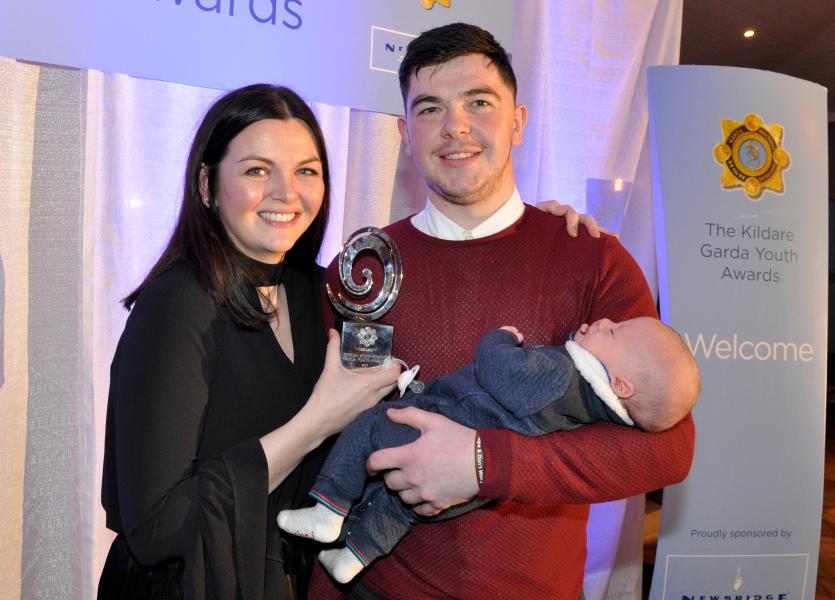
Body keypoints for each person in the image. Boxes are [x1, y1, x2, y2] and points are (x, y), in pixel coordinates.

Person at [309, 22, 696, 599]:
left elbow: (667, 448)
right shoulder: (362, 269)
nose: (455, 126)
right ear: (406, 134)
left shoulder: (592, 259)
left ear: (517, 122)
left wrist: (484, 464)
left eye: (479, 102)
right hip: (368, 585)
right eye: (430, 108)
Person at [97, 84, 403, 600]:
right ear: (207, 185)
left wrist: (539, 221)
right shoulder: (179, 304)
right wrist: (315, 422)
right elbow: (157, 528)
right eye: (257, 170)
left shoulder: (318, 292)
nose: (287, 193)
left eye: (306, 170)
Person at [279, 317, 700, 584]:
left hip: (437, 430)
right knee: (399, 507)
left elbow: (499, 370)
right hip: (461, 503)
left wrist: (498, 339)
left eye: (615, 331)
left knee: (368, 426)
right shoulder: (592, 404)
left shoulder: (561, 373)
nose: (605, 321)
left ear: (621, 385)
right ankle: (355, 556)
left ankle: (328, 509)